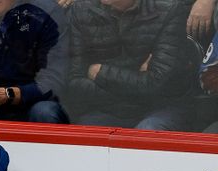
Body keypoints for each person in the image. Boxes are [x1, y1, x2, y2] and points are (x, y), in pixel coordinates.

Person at [66, 0, 195, 130]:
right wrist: (137, 79)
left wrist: (100, 72)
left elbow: (158, 83)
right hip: (108, 109)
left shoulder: (169, 9)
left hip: (159, 107)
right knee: (86, 132)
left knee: (147, 131)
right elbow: (74, 82)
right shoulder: (81, 9)